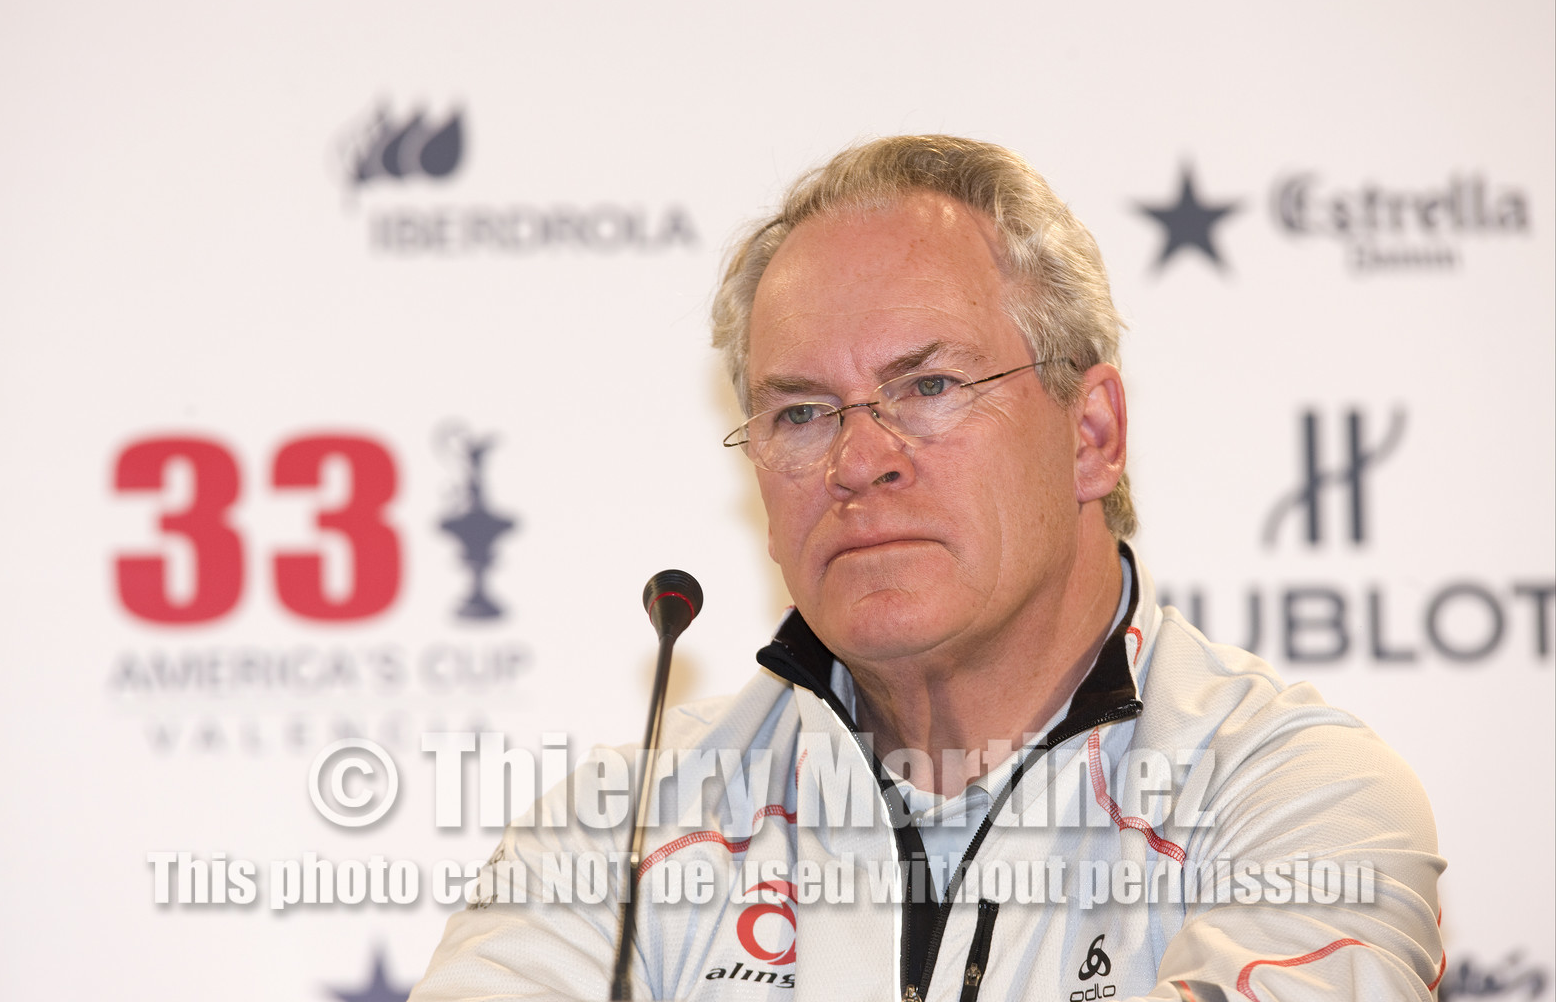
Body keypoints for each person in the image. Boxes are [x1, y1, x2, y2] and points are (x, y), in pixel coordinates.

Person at [410, 135, 1446, 1001]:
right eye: (801, 413)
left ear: (1091, 433)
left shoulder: (1296, 795)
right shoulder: (626, 825)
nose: (859, 459)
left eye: (931, 386)